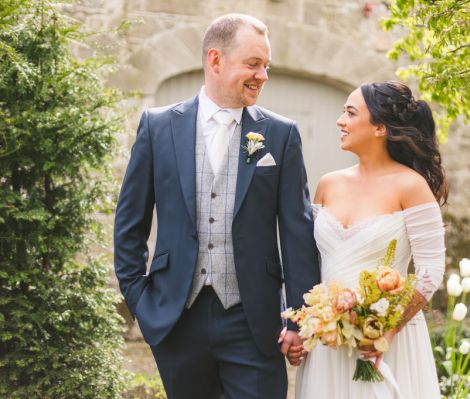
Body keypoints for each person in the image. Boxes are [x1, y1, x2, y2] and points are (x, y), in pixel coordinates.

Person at [113, 14, 320, 399]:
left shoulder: (281, 134)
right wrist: (141, 302)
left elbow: (297, 231)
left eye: (267, 66)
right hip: (177, 318)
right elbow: (130, 224)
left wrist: (299, 317)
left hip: (254, 322)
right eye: (253, 64)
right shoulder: (158, 127)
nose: (263, 75)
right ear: (215, 60)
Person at [292, 81, 447, 399]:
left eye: (350, 113)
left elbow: (431, 270)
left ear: (379, 127)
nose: (340, 121)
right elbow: (308, 263)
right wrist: (301, 323)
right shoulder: (327, 185)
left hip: (389, 341)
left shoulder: (411, 186)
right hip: (329, 342)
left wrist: (387, 330)